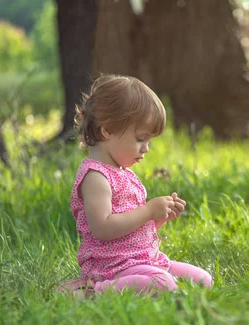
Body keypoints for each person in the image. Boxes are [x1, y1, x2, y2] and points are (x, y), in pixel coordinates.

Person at [58, 74, 212, 299]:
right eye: (140, 139)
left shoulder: (125, 174)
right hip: (113, 267)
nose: (146, 148)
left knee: (203, 280)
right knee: (162, 284)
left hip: (144, 260)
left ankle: (146, 284)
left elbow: (132, 231)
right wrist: (148, 210)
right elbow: (103, 228)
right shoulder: (95, 177)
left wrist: (159, 217)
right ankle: (91, 291)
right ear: (107, 130)